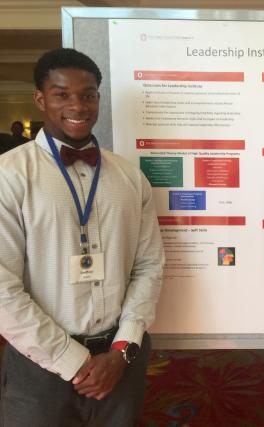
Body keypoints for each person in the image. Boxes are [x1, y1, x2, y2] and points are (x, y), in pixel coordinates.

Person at [0, 48, 165, 426]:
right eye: (62, 94)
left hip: (120, 360)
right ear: (40, 99)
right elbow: (3, 289)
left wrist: (122, 349)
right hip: (39, 363)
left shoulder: (129, 177)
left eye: (87, 94)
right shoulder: (9, 176)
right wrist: (73, 361)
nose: (77, 104)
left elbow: (149, 266)